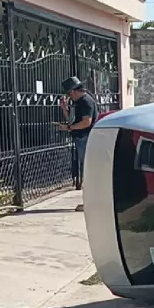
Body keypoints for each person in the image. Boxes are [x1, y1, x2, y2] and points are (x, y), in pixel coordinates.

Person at [56, 76, 97, 211]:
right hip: (81, 139)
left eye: (69, 93)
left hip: (86, 138)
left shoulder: (86, 102)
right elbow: (73, 120)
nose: (69, 96)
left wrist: (68, 128)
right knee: (87, 169)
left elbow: (86, 122)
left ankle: (90, 203)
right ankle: (89, 202)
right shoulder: (79, 102)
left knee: (89, 171)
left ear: (74, 91)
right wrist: (64, 109)